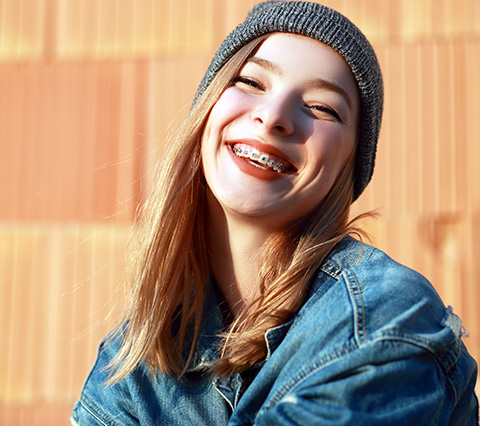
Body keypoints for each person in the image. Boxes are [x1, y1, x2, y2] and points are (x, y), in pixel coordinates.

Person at [71, 1, 479, 425]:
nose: (274, 117)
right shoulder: (131, 361)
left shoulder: (383, 315)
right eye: (250, 81)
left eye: (323, 108)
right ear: (208, 108)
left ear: (347, 168)